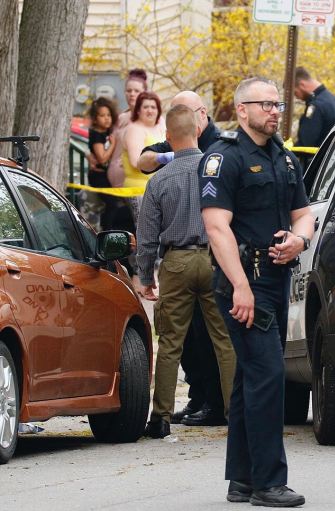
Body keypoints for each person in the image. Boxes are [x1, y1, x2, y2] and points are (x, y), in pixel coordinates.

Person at [200, 77, 313, 507]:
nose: (274, 111)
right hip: (242, 280)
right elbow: (216, 226)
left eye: (277, 104)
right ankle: (270, 482)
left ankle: (242, 479)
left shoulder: (284, 159)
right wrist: (241, 288)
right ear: (241, 110)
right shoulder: (222, 158)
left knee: (252, 375)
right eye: (265, 104)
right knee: (267, 375)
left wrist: (299, 241)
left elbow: (303, 214)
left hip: (276, 277)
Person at [136, 104, 236, 439]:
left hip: (176, 263)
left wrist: (146, 277)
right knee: (224, 340)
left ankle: (160, 418)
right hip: (214, 258)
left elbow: (148, 236)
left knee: (170, 343)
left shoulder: (160, 179)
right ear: (197, 131)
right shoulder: (218, 170)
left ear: (167, 137)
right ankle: (236, 412)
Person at [86, 97, 119, 230]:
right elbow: (102, 158)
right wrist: (113, 145)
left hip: (106, 175)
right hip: (98, 176)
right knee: (112, 204)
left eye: (109, 115)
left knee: (113, 204)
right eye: (102, 115)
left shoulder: (106, 132)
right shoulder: (97, 134)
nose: (107, 118)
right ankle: (106, 231)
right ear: (95, 118)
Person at [122, 91, 165, 189]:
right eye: (145, 107)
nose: (150, 111)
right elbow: (136, 162)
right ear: (138, 111)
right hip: (139, 189)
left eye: (153, 107)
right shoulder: (134, 129)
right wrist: (165, 158)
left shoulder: (161, 127)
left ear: (158, 111)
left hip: (158, 187)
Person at [294, 67, 335, 153]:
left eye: (295, 92)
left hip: (316, 163)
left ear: (302, 85)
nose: (296, 97)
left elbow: (306, 142)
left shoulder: (316, 106)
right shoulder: (332, 100)